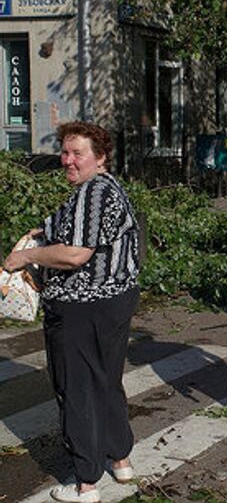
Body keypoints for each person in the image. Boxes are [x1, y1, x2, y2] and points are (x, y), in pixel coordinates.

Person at [3, 122, 140, 502]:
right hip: (110, 303)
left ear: (100, 157)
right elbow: (65, 230)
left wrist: (26, 256)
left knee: (77, 389)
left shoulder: (94, 194)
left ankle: (86, 482)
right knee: (106, 381)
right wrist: (38, 233)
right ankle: (121, 460)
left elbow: (76, 254)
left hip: (84, 307)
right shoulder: (102, 189)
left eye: (77, 153)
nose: (67, 160)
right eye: (64, 152)